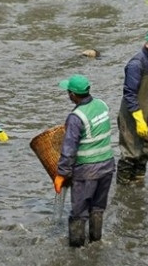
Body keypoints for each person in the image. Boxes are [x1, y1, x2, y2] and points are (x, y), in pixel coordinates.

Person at [55, 74, 115, 247]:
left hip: (87, 170)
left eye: (68, 91)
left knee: (79, 213)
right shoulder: (102, 105)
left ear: (73, 94)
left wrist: (61, 174)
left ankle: (76, 250)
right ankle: (96, 242)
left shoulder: (76, 117)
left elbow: (69, 150)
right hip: (107, 166)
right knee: (97, 207)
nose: (67, 94)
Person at [116, 28, 148, 184]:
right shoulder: (136, 64)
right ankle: (123, 188)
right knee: (131, 152)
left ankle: (138, 183)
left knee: (147, 150)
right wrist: (138, 118)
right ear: (147, 44)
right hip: (132, 113)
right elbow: (129, 94)